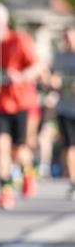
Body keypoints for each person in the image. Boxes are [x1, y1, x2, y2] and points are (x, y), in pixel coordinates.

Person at [0, 3, 42, 210]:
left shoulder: (19, 40)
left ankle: (27, 169)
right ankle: (5, 190)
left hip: (20, 103)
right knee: (0, 147)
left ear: (3, 21)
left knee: (18, 151)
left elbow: (38, 66)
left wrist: (20, 76)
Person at [51, 21, 75, 199]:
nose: (67, 39)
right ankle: (73, 182)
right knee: (69, 146)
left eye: (70, 35)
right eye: (65, 35)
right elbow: (54, 77)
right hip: (65, 108)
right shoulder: (59, 57)